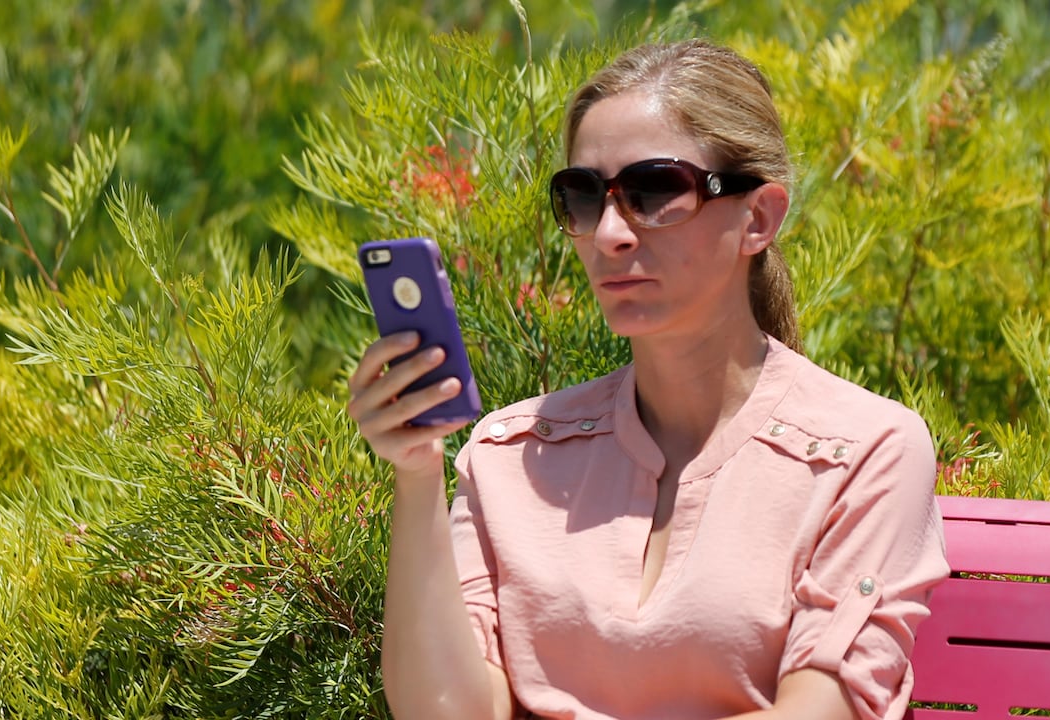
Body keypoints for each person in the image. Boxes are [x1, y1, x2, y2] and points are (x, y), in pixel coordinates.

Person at [347, 38, 949, 720]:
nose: (609, 234)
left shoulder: (864, 452)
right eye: (581, 197)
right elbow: (445, 713)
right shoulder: (509, 455)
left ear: (758, 218)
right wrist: (418, 472)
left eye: (655, 191)